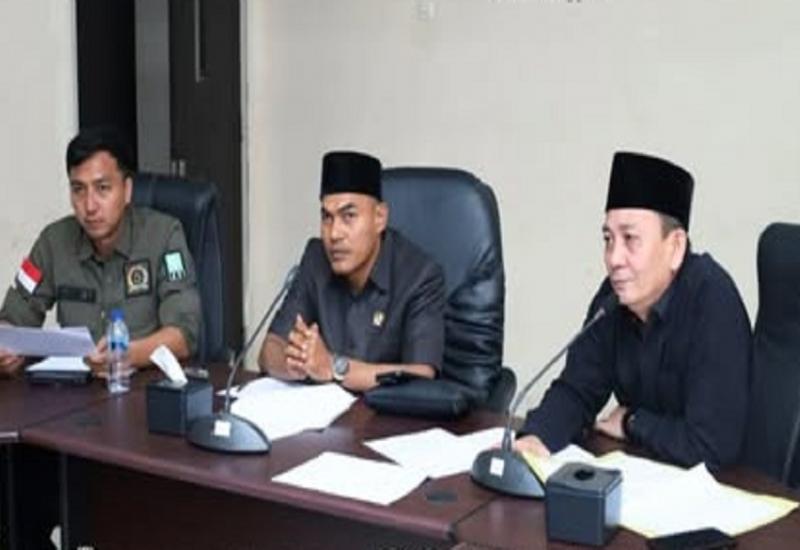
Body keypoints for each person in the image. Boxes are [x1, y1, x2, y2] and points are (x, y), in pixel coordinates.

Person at [516, 152, 752, 470]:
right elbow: (577, 390)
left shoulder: (712, 299)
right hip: (647, 475)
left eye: (630, 239)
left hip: (724, 489)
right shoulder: (613, 298)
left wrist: (632, 422)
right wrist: (537, 438)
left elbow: (712, 447)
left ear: (676, 247)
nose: (614, 258)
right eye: (608, 239)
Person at [0, 126, 202, 377]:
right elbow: (14, 319)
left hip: (142, 387)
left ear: (127, 190)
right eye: (78, 190)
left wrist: (126, 355)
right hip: (74, 391)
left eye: (102, 188)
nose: (89, 206)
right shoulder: (53, 242)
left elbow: (184, 335)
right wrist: (5, 349)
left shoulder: (165, 236)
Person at [258, 150, 445, 392]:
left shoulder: (420, 275)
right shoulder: (315, 259)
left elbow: (422, 375)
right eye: (327, 217)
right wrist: (295, 364)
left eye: (348, 216)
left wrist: (333, 367)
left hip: (386, 414)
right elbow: (270, 348)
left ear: (379, 218)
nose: (334, 233)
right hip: (323, 412)